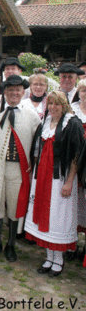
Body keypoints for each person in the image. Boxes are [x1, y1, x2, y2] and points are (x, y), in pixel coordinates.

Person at [0, 75, 41, 262]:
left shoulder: (31, 116)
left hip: (19, 169)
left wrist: (34, 164)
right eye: (10, 90)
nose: (14, 93)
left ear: (23, 92)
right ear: (5, 92)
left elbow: (38, 144)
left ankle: (11, 244)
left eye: (17, 90)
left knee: (15, 206)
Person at [25, 91, 84, 276]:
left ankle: (58, 260)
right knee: (44, 214)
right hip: (42, 176)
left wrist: (68, 182)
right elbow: (37, 148)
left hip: (60, 179)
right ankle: (49, 257)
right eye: (50, 103)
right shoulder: (45, 122)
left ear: (64, 104)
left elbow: (76, 156)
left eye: (57, 104)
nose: (53, 107)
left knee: (57, 217)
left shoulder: (71, 124)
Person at [69, 79, 86, 261]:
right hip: (73, 161)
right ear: (78, 92)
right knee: (73, 204)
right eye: (83, 91)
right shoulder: (72, 111)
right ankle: (70, 244)